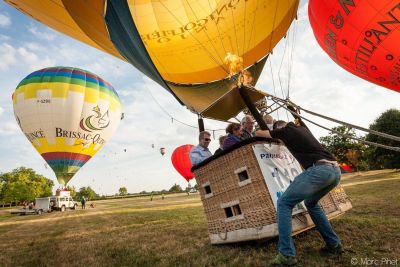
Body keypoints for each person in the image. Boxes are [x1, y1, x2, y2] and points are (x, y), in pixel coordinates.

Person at [256, 106, 344, 266]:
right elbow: (300, 122)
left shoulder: (284, 131)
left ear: (278, 127)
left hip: (320, 170)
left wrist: (272, 132)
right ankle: (334, 245)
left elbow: (259, 134)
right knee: (311, 203)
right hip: (335, 171)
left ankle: (286, 255)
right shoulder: (303, 129)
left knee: (284, 203)